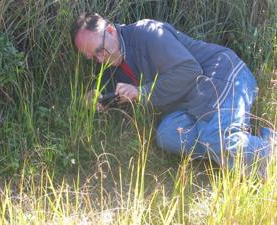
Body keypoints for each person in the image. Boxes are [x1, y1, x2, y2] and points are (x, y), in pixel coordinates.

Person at [71, 12, 276, 177]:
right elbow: (125, 96)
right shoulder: (110, 64)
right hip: (189, 104)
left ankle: (266, 151)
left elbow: (189, 70)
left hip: (221, 77)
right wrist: (100, 100)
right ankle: (245, 140)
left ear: (110, 30)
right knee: (167, 135)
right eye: (91, 57)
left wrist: (141, 92)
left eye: (99, 50)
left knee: (215, 136)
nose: (99, 59)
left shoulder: (146, 33)